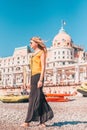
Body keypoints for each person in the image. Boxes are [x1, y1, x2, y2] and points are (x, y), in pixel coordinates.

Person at [21, 36, 54, 128]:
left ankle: (27, 121)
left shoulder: (41, 52)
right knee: (39, 98)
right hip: (33, 77)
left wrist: (40, 80)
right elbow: (31, 69)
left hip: (39, 76)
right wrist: (28, 81)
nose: (30, 44)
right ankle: (43, 121)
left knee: (34, 99)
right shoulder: (33, 54)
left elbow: (43, 67)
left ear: (36, 43)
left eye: (31, 43)